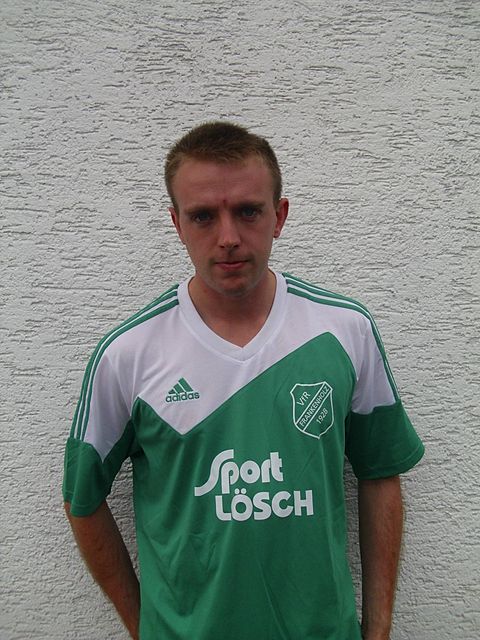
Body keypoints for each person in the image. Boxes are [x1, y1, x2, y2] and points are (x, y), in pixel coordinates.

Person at [63, 121, 424, 640]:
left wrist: (379, 629)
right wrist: (147, 627)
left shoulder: (345, 329)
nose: (228, 237)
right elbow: (82, 499)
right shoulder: (128, 354)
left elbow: (381, 474)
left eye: (248, 211)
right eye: (203, 216)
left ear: (279, 216)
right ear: (176, 223)